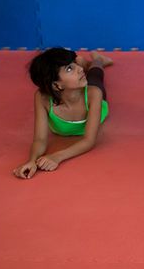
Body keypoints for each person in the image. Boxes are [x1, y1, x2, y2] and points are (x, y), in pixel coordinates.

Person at [13, 48, 113, 179]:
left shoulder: (94, 94)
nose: (79, 69)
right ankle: (84, 61)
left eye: (75, 64)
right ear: (56, 85)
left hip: (93, 96)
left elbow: (89, 140)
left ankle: (98, 60)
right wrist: (32, 161)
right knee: (88, 75)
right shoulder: (42, 98)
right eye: (69, 69)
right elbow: (40, 139)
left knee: (95, 76)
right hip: (72, 89)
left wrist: (57, 156)